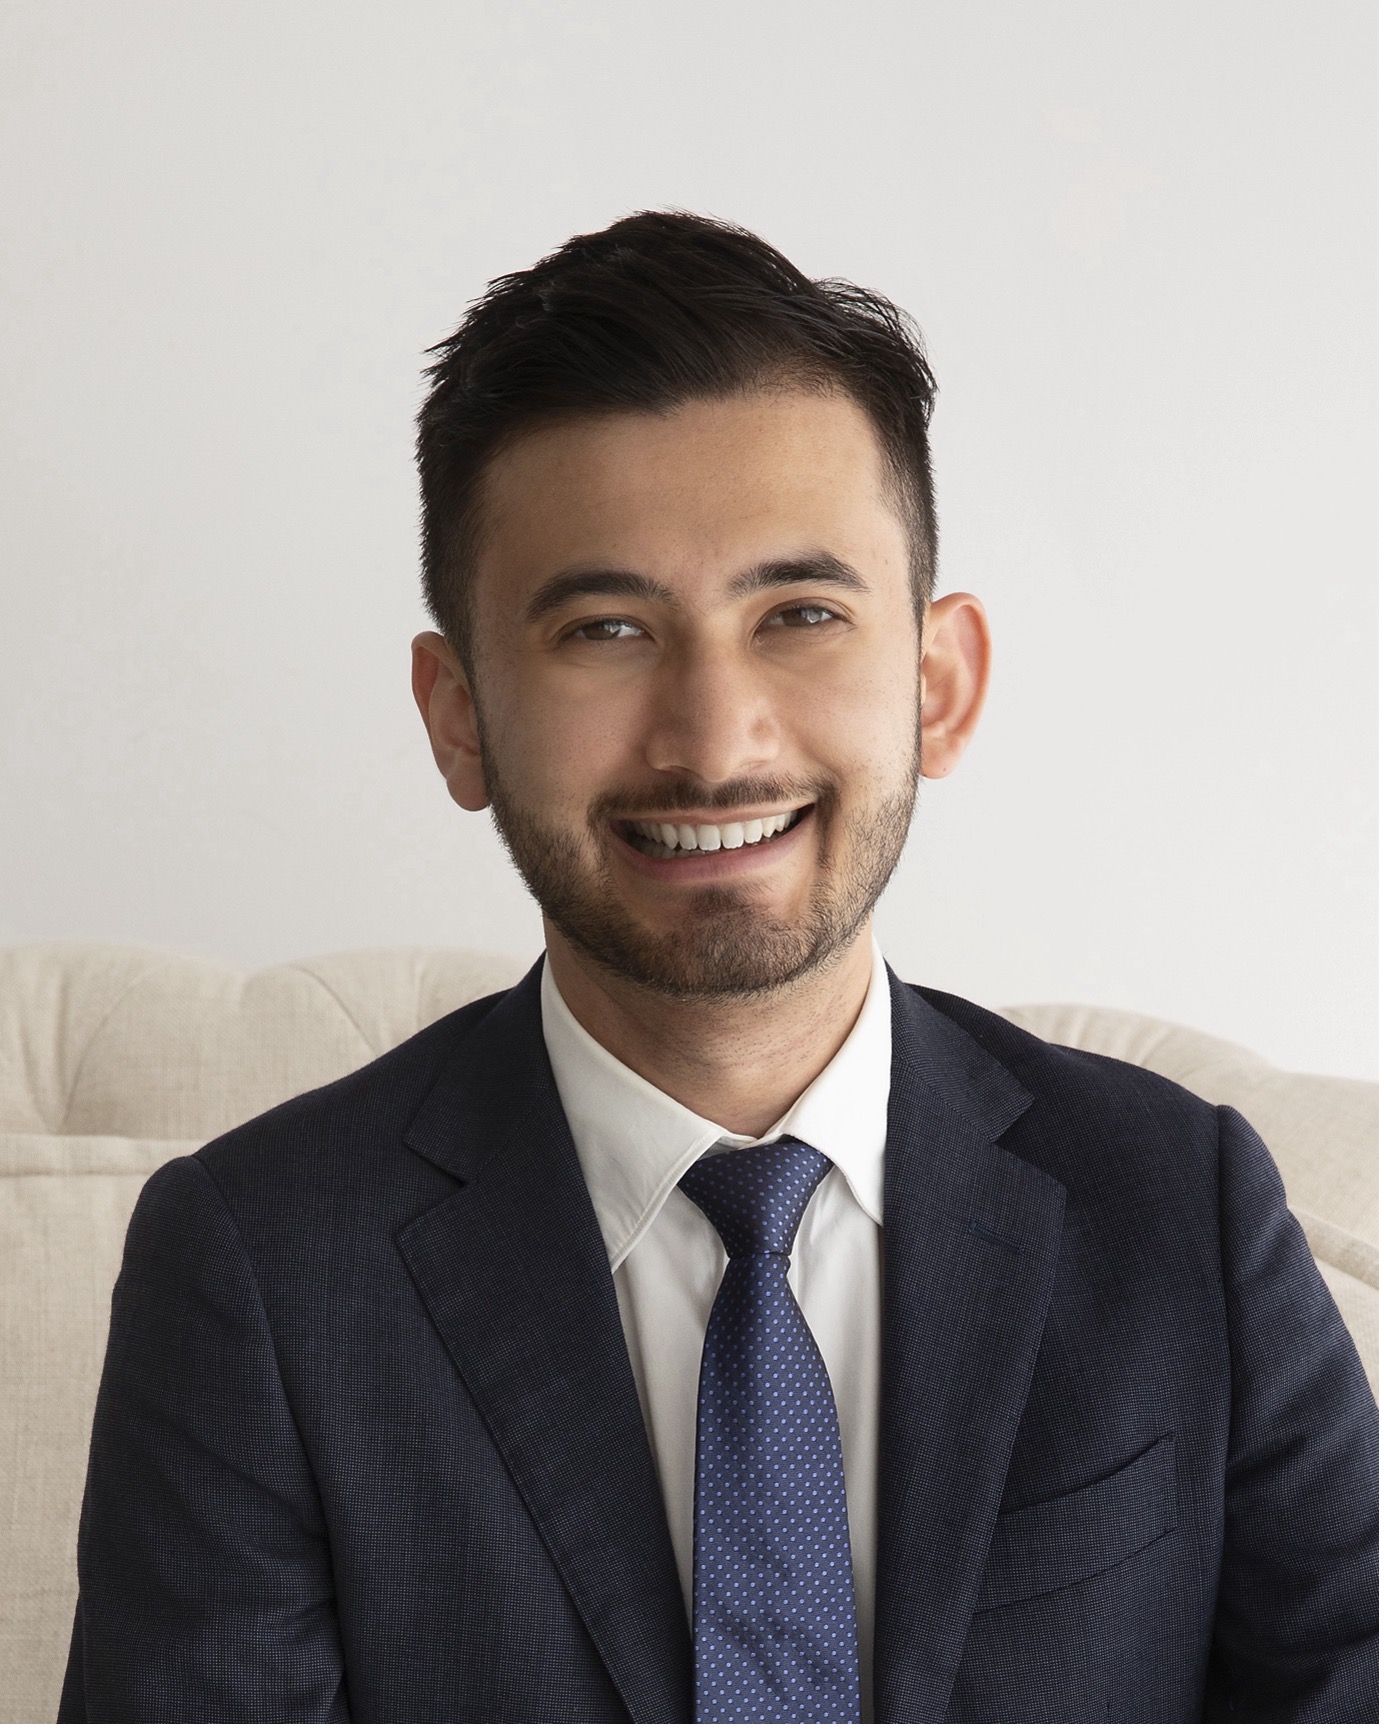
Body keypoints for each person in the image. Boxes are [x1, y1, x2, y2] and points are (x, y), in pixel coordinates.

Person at [59, 211, 1375, 1725]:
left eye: (799, 614)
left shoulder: (1182, 1206)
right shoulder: (261, 1269)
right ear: (459, 716)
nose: (712, 737)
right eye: (606, 629)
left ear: (938, 683)